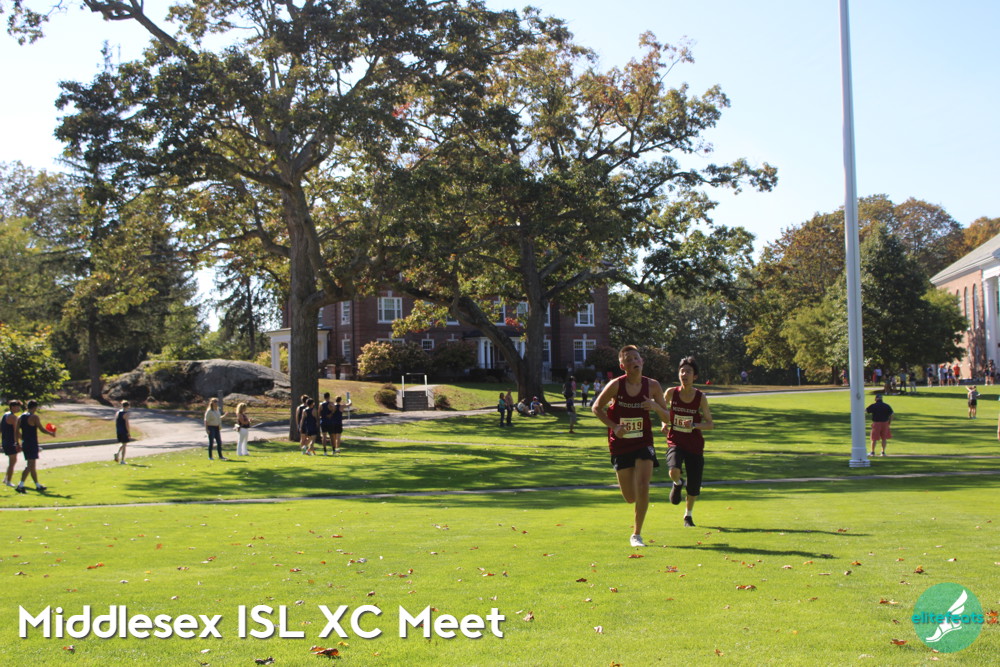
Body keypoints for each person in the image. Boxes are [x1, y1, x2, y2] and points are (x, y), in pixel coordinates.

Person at [592, 345, 669, 548]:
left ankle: (636, 534)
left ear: (642, 362)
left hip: (644, 441)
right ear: (622, 366)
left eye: (636, 358)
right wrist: (615, 427)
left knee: (643, 486)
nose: (634, 361)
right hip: (620, 443)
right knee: (630, 497)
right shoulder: (616, 385)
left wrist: (655, 406)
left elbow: (668, 417)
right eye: (629, 360)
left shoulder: (652, 386)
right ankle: (635, 494)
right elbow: (596, 408)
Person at [644, 357, 714, 528]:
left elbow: (710, 424)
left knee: (694, 485)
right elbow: (663, 411)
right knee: (673, 470)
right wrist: (664, 424)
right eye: (682, 371)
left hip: (695, 445)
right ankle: (677, 483)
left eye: (688, 371)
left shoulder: (700, 397)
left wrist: (694, 425)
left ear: (694, 376)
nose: (684, 374)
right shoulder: (671, 393)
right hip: (675, 440)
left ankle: (688, 516)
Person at [15, 400, 55, 493]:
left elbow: (16, 431)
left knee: (32, 465)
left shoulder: (20, 417)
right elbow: (41, 429)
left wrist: (18, 442)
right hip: (32, 443)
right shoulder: (34, 417)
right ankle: (20, 485)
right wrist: (50, 433)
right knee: (30, 465)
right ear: (35, 407)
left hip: (25, 443)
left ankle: (37, 485)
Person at [2, 399, 22, 487]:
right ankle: (8, 481)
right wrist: (23, 440)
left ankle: (6, 478)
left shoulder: (5, 415)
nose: (19, 408)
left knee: (11, 461)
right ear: (13, 407)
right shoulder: (13, 418)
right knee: (12, 462)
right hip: (11, 442)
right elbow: (16, 432)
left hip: (5, 441)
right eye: (17, 407)